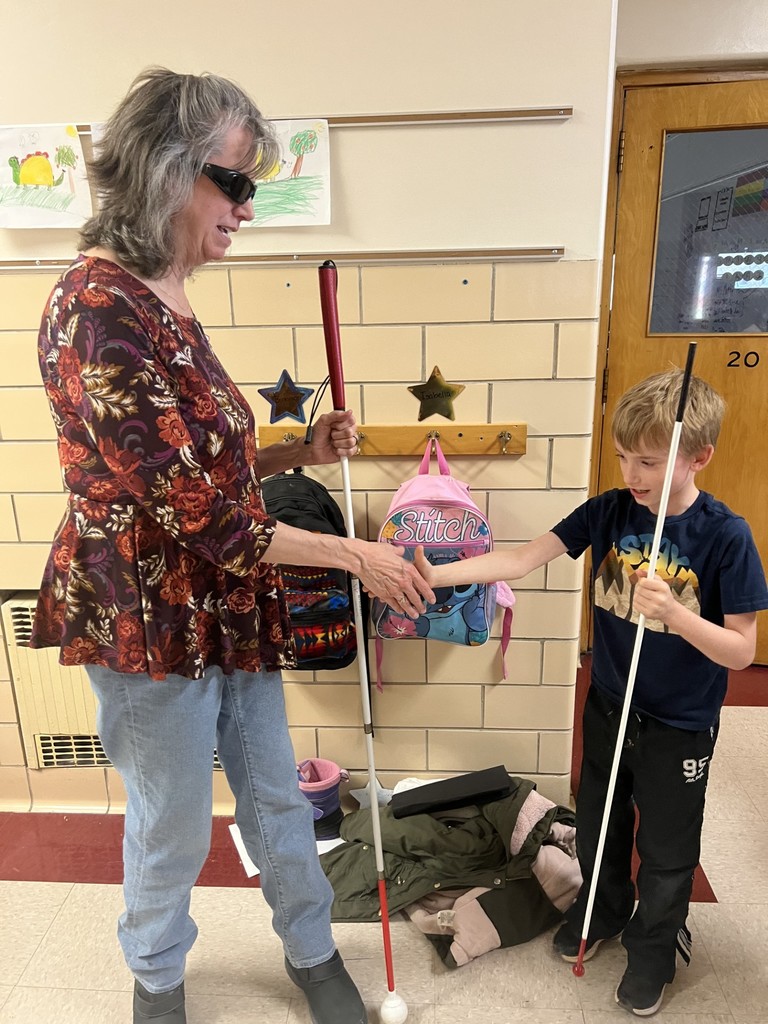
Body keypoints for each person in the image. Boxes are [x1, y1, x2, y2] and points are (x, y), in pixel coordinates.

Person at [29, 67, 434, 1024]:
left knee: (276, 800)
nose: (248, 208)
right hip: (149, 617)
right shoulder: (97, 308)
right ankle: (157, 978)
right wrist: (359, 559)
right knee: (170, 826)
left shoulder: (169, 295)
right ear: (169, 171)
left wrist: (298, 443)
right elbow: (202, 513)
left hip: (229, 605)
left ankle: (310, 952)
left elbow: (209, 454)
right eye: (237, 183)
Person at [415, 369, 768, 1017]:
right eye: (624, 457)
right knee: (602, 821)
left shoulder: (726, 536)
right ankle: (601, 911)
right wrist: (436, 573)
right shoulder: (609, 511)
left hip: (679, 724)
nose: (632, 473)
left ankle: (654, 947)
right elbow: (521, 561)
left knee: (665, 850)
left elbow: (742, 650)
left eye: (650, 461)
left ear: (700, 457)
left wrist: (680, 616)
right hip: (610, 703)